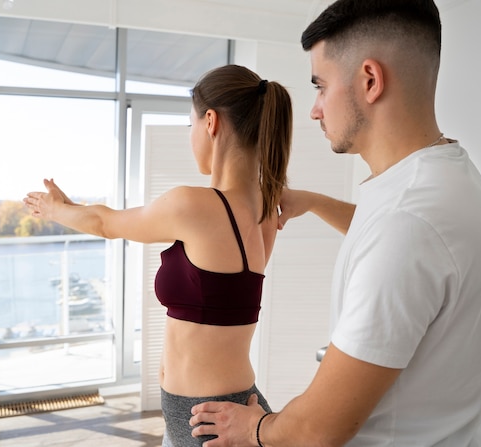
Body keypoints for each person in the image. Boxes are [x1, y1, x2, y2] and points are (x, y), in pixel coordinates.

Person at [188, 1, 481, 446]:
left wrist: (254, 428)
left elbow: (318, 429)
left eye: (321, 86)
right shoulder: (448, 177)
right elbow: (388, 236)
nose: (315, 109)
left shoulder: (407, 222)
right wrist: (314, 202)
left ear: (370, 81)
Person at [23, 64, 293, 447]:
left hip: (208, 422)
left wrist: (55, 210)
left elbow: (107, 224)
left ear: (211, 122)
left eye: (191, 125)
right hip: (211, 413)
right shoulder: (265, 209)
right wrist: (71, 207)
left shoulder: (194, 204)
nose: (191, 136)